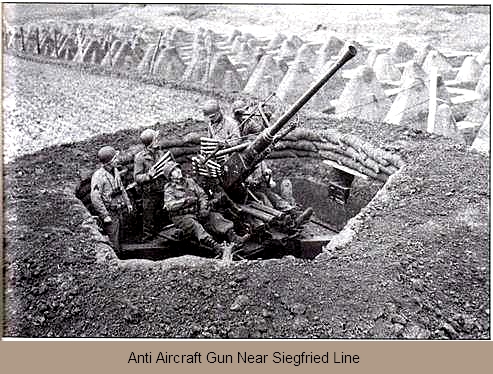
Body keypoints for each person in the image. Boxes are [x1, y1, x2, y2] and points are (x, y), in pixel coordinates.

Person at [161, 161, 242, 257]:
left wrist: (203, 208)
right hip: (182, 217)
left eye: (177, 168)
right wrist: (185, 201)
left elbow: (202, 195)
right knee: (196, 226)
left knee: (215, 217)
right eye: (173, 170)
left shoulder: (190, 181)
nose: (178, 171)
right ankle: (216, 247)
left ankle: (234, 238)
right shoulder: (169, 189)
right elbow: (169, 205)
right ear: (170, 176)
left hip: (196, 212)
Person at [91, 145, 133, 251]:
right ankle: (116, 255)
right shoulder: (98, 177)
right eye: (115, 158)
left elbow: (121, 188)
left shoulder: (115, 171)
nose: (117, 160)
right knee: (113, 236)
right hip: (110, 212)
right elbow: (95, 198)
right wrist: (104, 215)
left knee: (121, 234)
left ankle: (122, 252)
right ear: (108, 162)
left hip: (120, 208)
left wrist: (128, 203)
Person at [133, 128, 167, 240]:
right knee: (148, 216)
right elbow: (137, 177)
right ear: (151, 142)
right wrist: (149, 175)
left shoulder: (160, 152)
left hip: (163, 188)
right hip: (149, 192)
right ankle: (148, 238)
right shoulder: (140, 158)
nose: (158, 140)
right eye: (156, 139)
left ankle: (164, 236)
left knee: (164, 213)